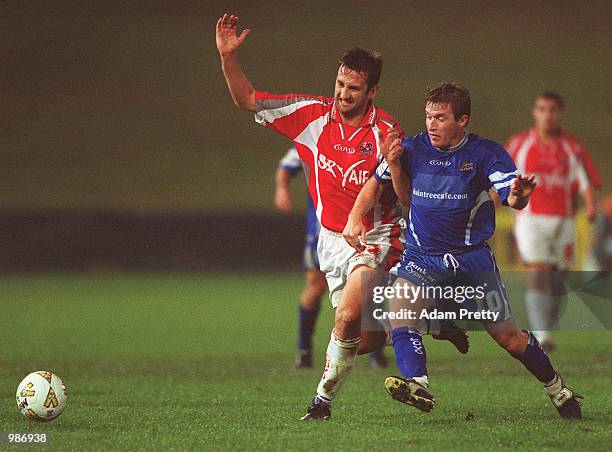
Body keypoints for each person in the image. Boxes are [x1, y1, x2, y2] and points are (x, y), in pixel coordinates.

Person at [216, 13, 468, 421]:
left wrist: (395, 168)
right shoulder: (310, 115)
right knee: (356, 334)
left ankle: (321, 403)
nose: (343, 94)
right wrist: (228, 57)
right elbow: (246, 98)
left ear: (372, 91)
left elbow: (401, 195)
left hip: (376, 237)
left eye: (353, 88)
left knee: (348, 314)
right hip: (331, 241)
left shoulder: (386, 131)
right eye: (339, 84)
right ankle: (421, 323)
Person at [344, 82, 583, 418]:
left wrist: (521, 195)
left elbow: (511, 196)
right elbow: (376, 183)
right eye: (428, 116)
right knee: (400, 313)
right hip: (422, 256)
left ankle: (558, 389)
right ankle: (417, 384)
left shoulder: (485, 154)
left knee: (509, 338)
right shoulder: (412, 148)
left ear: (462, 120)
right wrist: (356, 217)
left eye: (440, 118)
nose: (431, 124)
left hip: (470, 260)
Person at [274, 146, 388, 369]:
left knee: (368, 287)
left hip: (364, 228)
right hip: (325, 232)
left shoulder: (371, 141)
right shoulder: (315, 135)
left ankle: (376, 349)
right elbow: (286, 166)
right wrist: (282, 188)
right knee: (315, 286)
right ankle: (304, 349)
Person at [505, 92, 601, 351]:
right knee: (539, 272)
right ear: (534, 112)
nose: (547, 114)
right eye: (542, 109)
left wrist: (591, 205)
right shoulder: (519, 144)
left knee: (558, 280)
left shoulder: (572, 147)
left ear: (560, 114)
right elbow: (501, 177)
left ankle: (544, 323)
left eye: (552, 109)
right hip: (530, 219)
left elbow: (586, 182)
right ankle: (541, 334)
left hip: (564, 221)